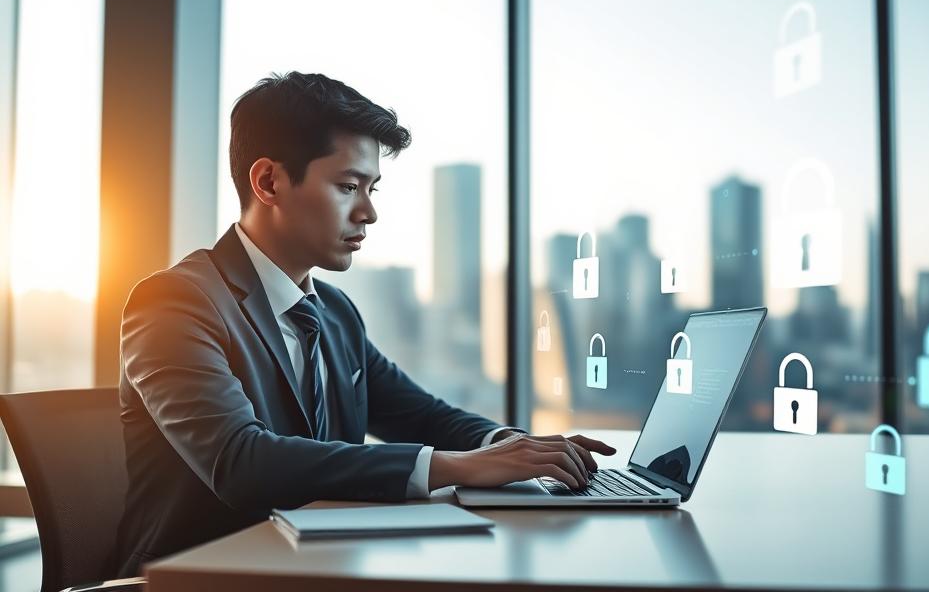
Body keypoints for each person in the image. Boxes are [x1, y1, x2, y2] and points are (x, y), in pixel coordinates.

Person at [112, 72, 615, 577]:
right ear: (268, 182)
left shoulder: (334, 313)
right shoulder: (175, 302)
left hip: (321, 565)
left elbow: (422, 415)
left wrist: (511, 446)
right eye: (348, 186)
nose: (369, 212)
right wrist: (460, 467)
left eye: (371, 188)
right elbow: (241, 462)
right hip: (204, 578)